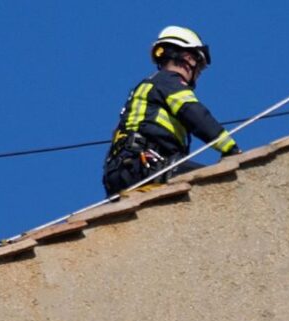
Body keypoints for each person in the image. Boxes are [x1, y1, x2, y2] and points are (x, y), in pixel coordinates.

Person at [102, 26, 241, 196]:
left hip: (126, 171)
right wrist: (231, 149)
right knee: (219, 187)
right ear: (189, 59)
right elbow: (196, 115)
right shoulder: (168, 82)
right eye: (199, 67)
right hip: (145, 167)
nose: (198, 74)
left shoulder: (150, 87)